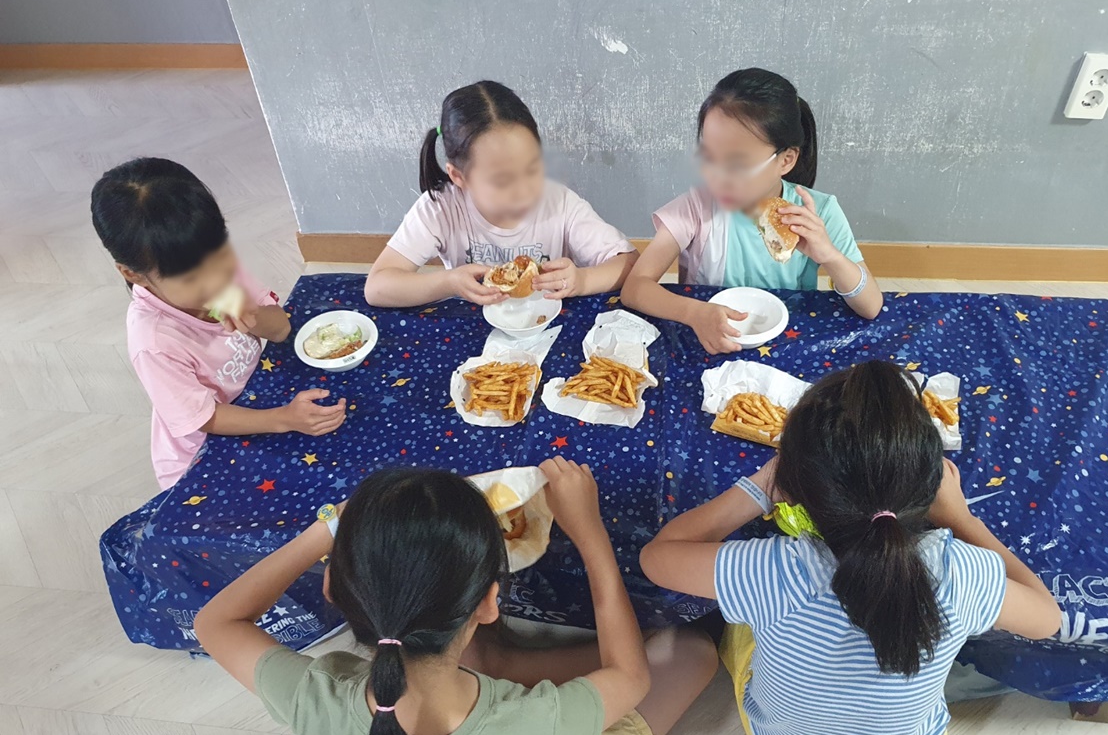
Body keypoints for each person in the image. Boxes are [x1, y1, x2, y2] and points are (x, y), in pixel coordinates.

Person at [194, 458, 716, 735]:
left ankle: (502, 662)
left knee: (501, 663)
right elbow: (631, 678)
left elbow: (215, 623)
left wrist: (326, 529)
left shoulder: (315, 700)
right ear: (489, 603)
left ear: (332, 589)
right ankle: (511, 664)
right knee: (692, 650)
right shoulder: (530, 726)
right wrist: (588, 531)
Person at [640, 361, 1061, 735]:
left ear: (797, 490)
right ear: (929, 488)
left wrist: (760, 487)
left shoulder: (774, 569)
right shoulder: (963, 571)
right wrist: (963, 519)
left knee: (738, 627)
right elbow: (1047, 619)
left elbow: (657, 559)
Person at [91, 158, 346, 489]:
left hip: (259, 399)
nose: (214, 280)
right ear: (132, 274)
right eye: (192, 278)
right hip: (204, 452)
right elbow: (204, 417)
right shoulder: (153, 342)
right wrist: (283, 419)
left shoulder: (217, 270)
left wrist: (250, 313)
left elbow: (281, 329)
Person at [621, 68, 883, 354]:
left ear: (786, 160)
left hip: (789, 344)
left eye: (737, 165)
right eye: (709, 157)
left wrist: (830, 255)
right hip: (710, 341)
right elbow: (635, 287)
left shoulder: (818, 212)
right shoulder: (696, 207)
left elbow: (871, 306)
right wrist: (693, 313)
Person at [365, 81, 637, 308]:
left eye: (533, 169)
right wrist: (449, 282)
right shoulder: (442, 208)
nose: (524, 191)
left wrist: (583, 280)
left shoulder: (560, 203)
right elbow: (377, 287)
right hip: (473, 330)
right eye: (502, 181)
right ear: (459, 177)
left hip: (545, 325)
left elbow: (630, 262)